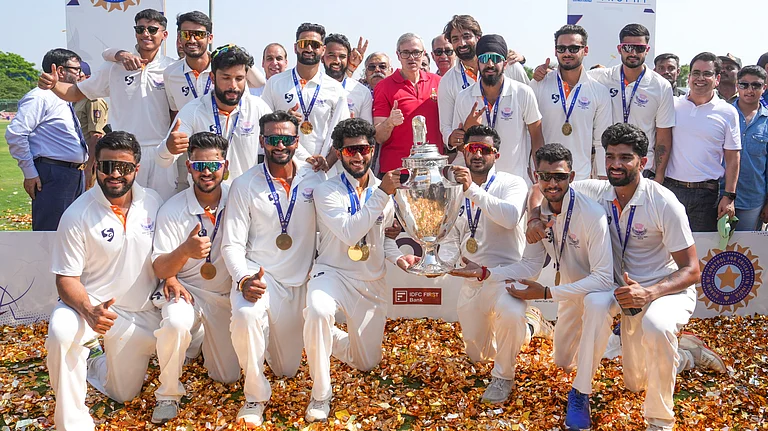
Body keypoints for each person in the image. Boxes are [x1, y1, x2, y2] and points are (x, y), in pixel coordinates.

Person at [529, 123, 723, 431]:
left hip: (663, 290)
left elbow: (692, 270)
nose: (616, 164)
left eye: (625, 157)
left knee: (655, 330)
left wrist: (649, 293)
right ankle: (581, 393)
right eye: (610, 156)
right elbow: (544, 190)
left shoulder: (664, 202)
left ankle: (660, 419)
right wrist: (534, 217)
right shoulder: (597, 189)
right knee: (595, 303)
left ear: (643, 162)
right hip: (618, 290)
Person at [476, 143, 613, 429]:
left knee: (596, 311)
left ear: (572, 176)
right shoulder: (538, 213)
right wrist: (485, 271)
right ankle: (606, 339)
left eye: (560, 177)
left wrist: (547, 293)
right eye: (545, 176)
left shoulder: (592, 214)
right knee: (562, 361)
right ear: (536, 177)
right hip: (568, 294)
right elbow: (529, 266)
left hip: (599, 293)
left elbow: (603, 278)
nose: (552, 184)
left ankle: (582, 392)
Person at [46, 131, 163, 431]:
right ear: (94, 166)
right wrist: (89, 310)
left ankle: (93, 360)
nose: (114, 175)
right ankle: (72, 422)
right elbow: (66, 279)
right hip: (91, 308)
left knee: (123, 393)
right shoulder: (76, 214)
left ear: (137, 168)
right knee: (60, 331)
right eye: (107, 166)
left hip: (138, 315)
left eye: (123, 168)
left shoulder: (154, 203)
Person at [303, 118, 417, 422]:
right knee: (317, 310)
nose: (358, 156)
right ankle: (320, 393)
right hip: (332, 273)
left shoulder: (383, 189)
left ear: (372, 149)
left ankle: (321, 336)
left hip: (370, 281)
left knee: (366, 362)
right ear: (339, 153)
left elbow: (379, 237)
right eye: (350, 150)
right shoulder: (326, 191)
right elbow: (350, 232)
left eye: (364, 149)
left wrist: (398, 259)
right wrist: (383, 194)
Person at [219, 111, 326, 426]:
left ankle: (317, 382)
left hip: (302, 282)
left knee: (286, 369)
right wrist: (243, 278)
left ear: (297, 141)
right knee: (244, 313)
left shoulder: (315, 177)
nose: (280, 145)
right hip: (261, 278)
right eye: (272, 139)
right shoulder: (244, 183)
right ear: (262, 141)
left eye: (287, 139)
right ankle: (254, 396)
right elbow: (231, 244)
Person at [441, 126, 552, 405]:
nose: (477, 154)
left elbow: (510, 217)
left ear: (496, 154)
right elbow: (454, 234)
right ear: (463, 151)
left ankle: (503, 376)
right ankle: (531, 326)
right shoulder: (453, 188)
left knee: (510, 314)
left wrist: (472, 190)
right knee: (478, 355)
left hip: (506, 279)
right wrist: (442, 262)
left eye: (485, 150)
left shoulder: (512, 183)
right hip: (472, 281)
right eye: (472, 149)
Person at [38, 9, 178, 200]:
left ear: (164, 34)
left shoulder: (172, 69)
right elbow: (75, 93)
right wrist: (54, 85)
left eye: (153, 29)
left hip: (161, 153)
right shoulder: (114, 67)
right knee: (121, 208)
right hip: (124, 151)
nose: (146, 34)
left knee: (162, 210)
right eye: (141, 29)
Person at [148, 132, 240, 424]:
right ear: (188, 167)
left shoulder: (239, 200)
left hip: (224, 296)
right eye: (199, 166)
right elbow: (161, 269)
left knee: (227, 376)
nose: (207, 173)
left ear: (224, 166)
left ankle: (198, 339)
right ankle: (167, 394)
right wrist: (185, 251)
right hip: (185, 291)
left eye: (213, 166)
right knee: (175, 322)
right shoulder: (173, 208)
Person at [535, 23, 674, 183]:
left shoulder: (661, 86)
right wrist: (544, 73)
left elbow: (663, 136)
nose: (633, 53)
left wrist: (659, 176)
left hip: (642, 169)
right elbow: (572, 73)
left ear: (647, 50)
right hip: (610, 167)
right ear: (619, 48)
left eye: (639, 48)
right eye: (628, 47)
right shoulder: (601, 77)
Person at [155, 44, 273, 184]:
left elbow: (283, 141)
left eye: (239, 78)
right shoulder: (193, 111)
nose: (233, 85)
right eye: (226, 78)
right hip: (205, 199)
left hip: (244, 197)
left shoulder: (258, 107)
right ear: (212, 77)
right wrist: (168, 148)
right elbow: (161, 161)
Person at [8, 48, 87, 231]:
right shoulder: (40, 97)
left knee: (72, 233)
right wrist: (30, 173)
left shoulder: (62, 98)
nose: (81, 74)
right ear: (60, 71)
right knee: (50, 235)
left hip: (72, 174)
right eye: (76, 69)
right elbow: (16, 133)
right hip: (53, 173)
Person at [665, 52, 740, 232]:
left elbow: (733, 158)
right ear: (689, 76)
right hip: (670, 191)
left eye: (707, 73)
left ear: (717, 79)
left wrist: (729, 197)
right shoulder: (671, 105)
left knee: (700, 255)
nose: (701, 78)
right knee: (666, 252)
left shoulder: (728, 112)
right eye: (696, 73)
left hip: (707, 196)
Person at [452, 34, 543, 183]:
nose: (489, 64)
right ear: (477, 62)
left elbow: (537, 137)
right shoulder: (464, 97)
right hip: (477, 184)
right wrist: (469, 129)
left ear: (505, 63)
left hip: (516, 182)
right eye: (484, 59)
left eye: (495, 59)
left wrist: (540, 175)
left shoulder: (523, 92)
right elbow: (460, 148)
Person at [261, 23, 350, 171]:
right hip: (285, 167)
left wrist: (326, 164)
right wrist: (283, 120)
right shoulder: (275, 83)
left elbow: (343, 132)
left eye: (314, 45)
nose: (309, 49)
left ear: (323, 50)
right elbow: (263, 125)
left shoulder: (335, 88)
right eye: (304, 44)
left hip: (323, 169)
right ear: (296, 47)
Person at [530, 25, 612, 180]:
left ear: (585, 50)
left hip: (580, 177)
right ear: (555, 51)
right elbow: (528, 134)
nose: (567, 53)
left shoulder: (599, 91)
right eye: (561, 48)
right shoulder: (538, 84)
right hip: (544, 176)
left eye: (574, 48)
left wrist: (602, 178)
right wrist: (534, 172)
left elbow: (602, 141)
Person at [438, 15, 529, 151]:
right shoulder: (447, 81)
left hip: (512, 160)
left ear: (478, 38)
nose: (461, 43)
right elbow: (446, 127)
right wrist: (452, 138)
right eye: (455, 39)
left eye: (467, 36)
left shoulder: (511, 67)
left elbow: (531, 113)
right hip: (470, 162)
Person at [373, 33, 442, 173]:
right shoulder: (384, 86)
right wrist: (390, 122)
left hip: (433, 169)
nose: (411, 57)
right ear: (398, 55)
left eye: (416, 52)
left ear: (424, 54)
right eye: (406, 53)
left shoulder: (438, 82)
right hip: (397, 171)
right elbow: (379, 137)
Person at [730, 65, 768, 230]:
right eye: (744, 85)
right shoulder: (723, 114)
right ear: (737, 86)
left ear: (764, 87)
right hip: (717, 198)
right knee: (712, 251)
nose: (749, 90)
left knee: (746, 253)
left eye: (756, 85)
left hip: (752, 201)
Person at [73, 61, 109, 189]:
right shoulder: (76, 100)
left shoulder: (94, 100)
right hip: (76, 162)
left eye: (78, 74)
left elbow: (96, 135)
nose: (74, 78)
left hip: (87, 162)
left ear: (87, 78)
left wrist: (89, 166)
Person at [322, 33, 373, 122]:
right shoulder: (311, 87)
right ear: (322, 57)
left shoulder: (362, 92)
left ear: (348, 59)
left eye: (342, 56)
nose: (337, 61)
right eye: (332, 55)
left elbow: (367, 131)